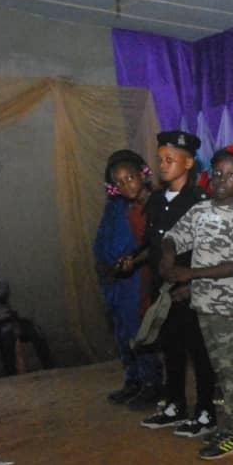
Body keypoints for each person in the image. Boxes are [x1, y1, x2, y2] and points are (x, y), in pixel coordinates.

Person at [162, 145, 233, 460]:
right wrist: (168, 257)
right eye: (217, 173)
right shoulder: (200, 210)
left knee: (232, 370)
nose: (222, 180)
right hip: (204, 302)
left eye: (231, 175)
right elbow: (174, 235)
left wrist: (190, 274)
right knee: (219, 367)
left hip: (227, 306)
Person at [137, 131, 216, 433]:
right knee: (170, 347)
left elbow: (210, 249)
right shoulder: (156, 201)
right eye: (160, 160)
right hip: (164, 290)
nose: (163, 165)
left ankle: (206, 411)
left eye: (170, 159)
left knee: (199, 349)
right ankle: (175, 404)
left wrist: (194, 284)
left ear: (189, 163)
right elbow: (151, 243)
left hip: (191, 290)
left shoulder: (201, 202)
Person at [96, 150, 160, 403]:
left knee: (138, 331)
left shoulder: (147, 204)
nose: (125, 185)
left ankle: (151, 382)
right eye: (118, 181)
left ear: (142, 174)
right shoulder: (115, 208)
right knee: (122, 332)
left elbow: (150, 245)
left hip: (136, 277)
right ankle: (133, 379)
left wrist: (131, 263)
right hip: (115, 281)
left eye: (129, 177)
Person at [0, 256, 52, 375]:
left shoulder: (2, 286)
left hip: (8, 320)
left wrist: (15, 321)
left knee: (36, 330)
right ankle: (10, 373)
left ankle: (49, 367)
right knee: (6, 335)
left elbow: (6, 308)